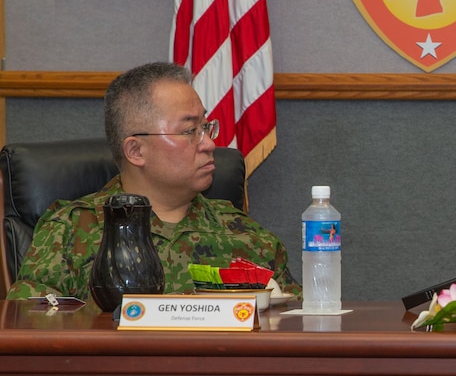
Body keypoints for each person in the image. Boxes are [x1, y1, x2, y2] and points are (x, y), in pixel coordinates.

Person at [6, 62, 300, 303]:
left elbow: (298, 320)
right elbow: (29, 324)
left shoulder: (246, 234)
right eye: (189, 131)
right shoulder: (71, 231)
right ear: (136, 151)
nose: (209, 144)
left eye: (206, 127)